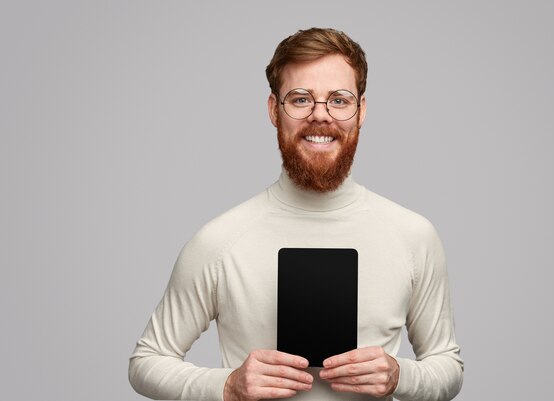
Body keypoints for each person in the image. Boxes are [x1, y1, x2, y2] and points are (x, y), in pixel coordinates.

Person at [129, 27, 463, 401]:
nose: (321, 116)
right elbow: (147, 361)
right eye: (301, 99)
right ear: (275, 110)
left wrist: (400, 376)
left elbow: (447, 366)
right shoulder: (220, 241)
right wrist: (227, 386)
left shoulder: (413, 236)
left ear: (361, 111)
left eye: (339, 100)